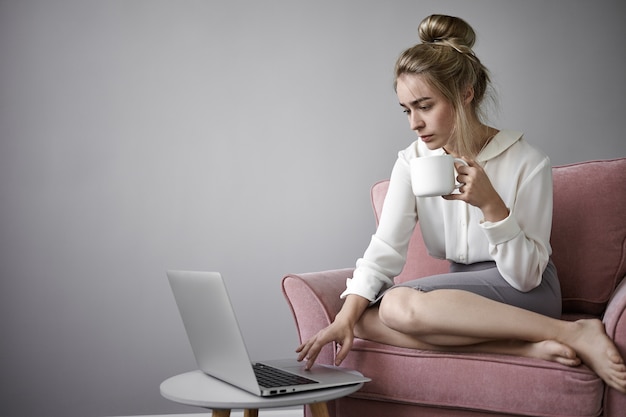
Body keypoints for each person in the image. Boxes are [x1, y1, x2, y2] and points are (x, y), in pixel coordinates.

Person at [296, 14, 626, 394]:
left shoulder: (526, 161)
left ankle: (569, 330)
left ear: (465, 93)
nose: (414, 124)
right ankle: (528, 347)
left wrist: (491, 207)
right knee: (363, 318)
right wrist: (346, 316)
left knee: (392, 306)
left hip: (526, 292)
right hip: (461, 294)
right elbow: (384, 249)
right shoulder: (412, 161)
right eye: (407, 109)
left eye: (424, 105)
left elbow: (526, 276)